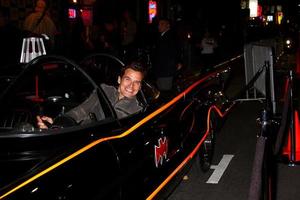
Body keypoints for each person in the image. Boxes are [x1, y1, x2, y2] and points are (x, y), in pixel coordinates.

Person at [37, 61, 146, 129]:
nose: (131, 86)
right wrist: (59, 123)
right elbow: (81, 110)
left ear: (140, 86)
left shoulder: (138, 110)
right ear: (119, 79)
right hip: (81, 136)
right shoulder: (104, 90)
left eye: (136, 82)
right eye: (127, 79)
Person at [152, 18, 181, 92]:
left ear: (168, 25)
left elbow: (176, 51)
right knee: (161, 89)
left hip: (166, 70)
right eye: (159, 24)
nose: (159, 26)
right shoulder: (161, 36)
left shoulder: (171, 36)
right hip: (161, 69)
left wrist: (177, 63)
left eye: (162, 24)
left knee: (165, 90)